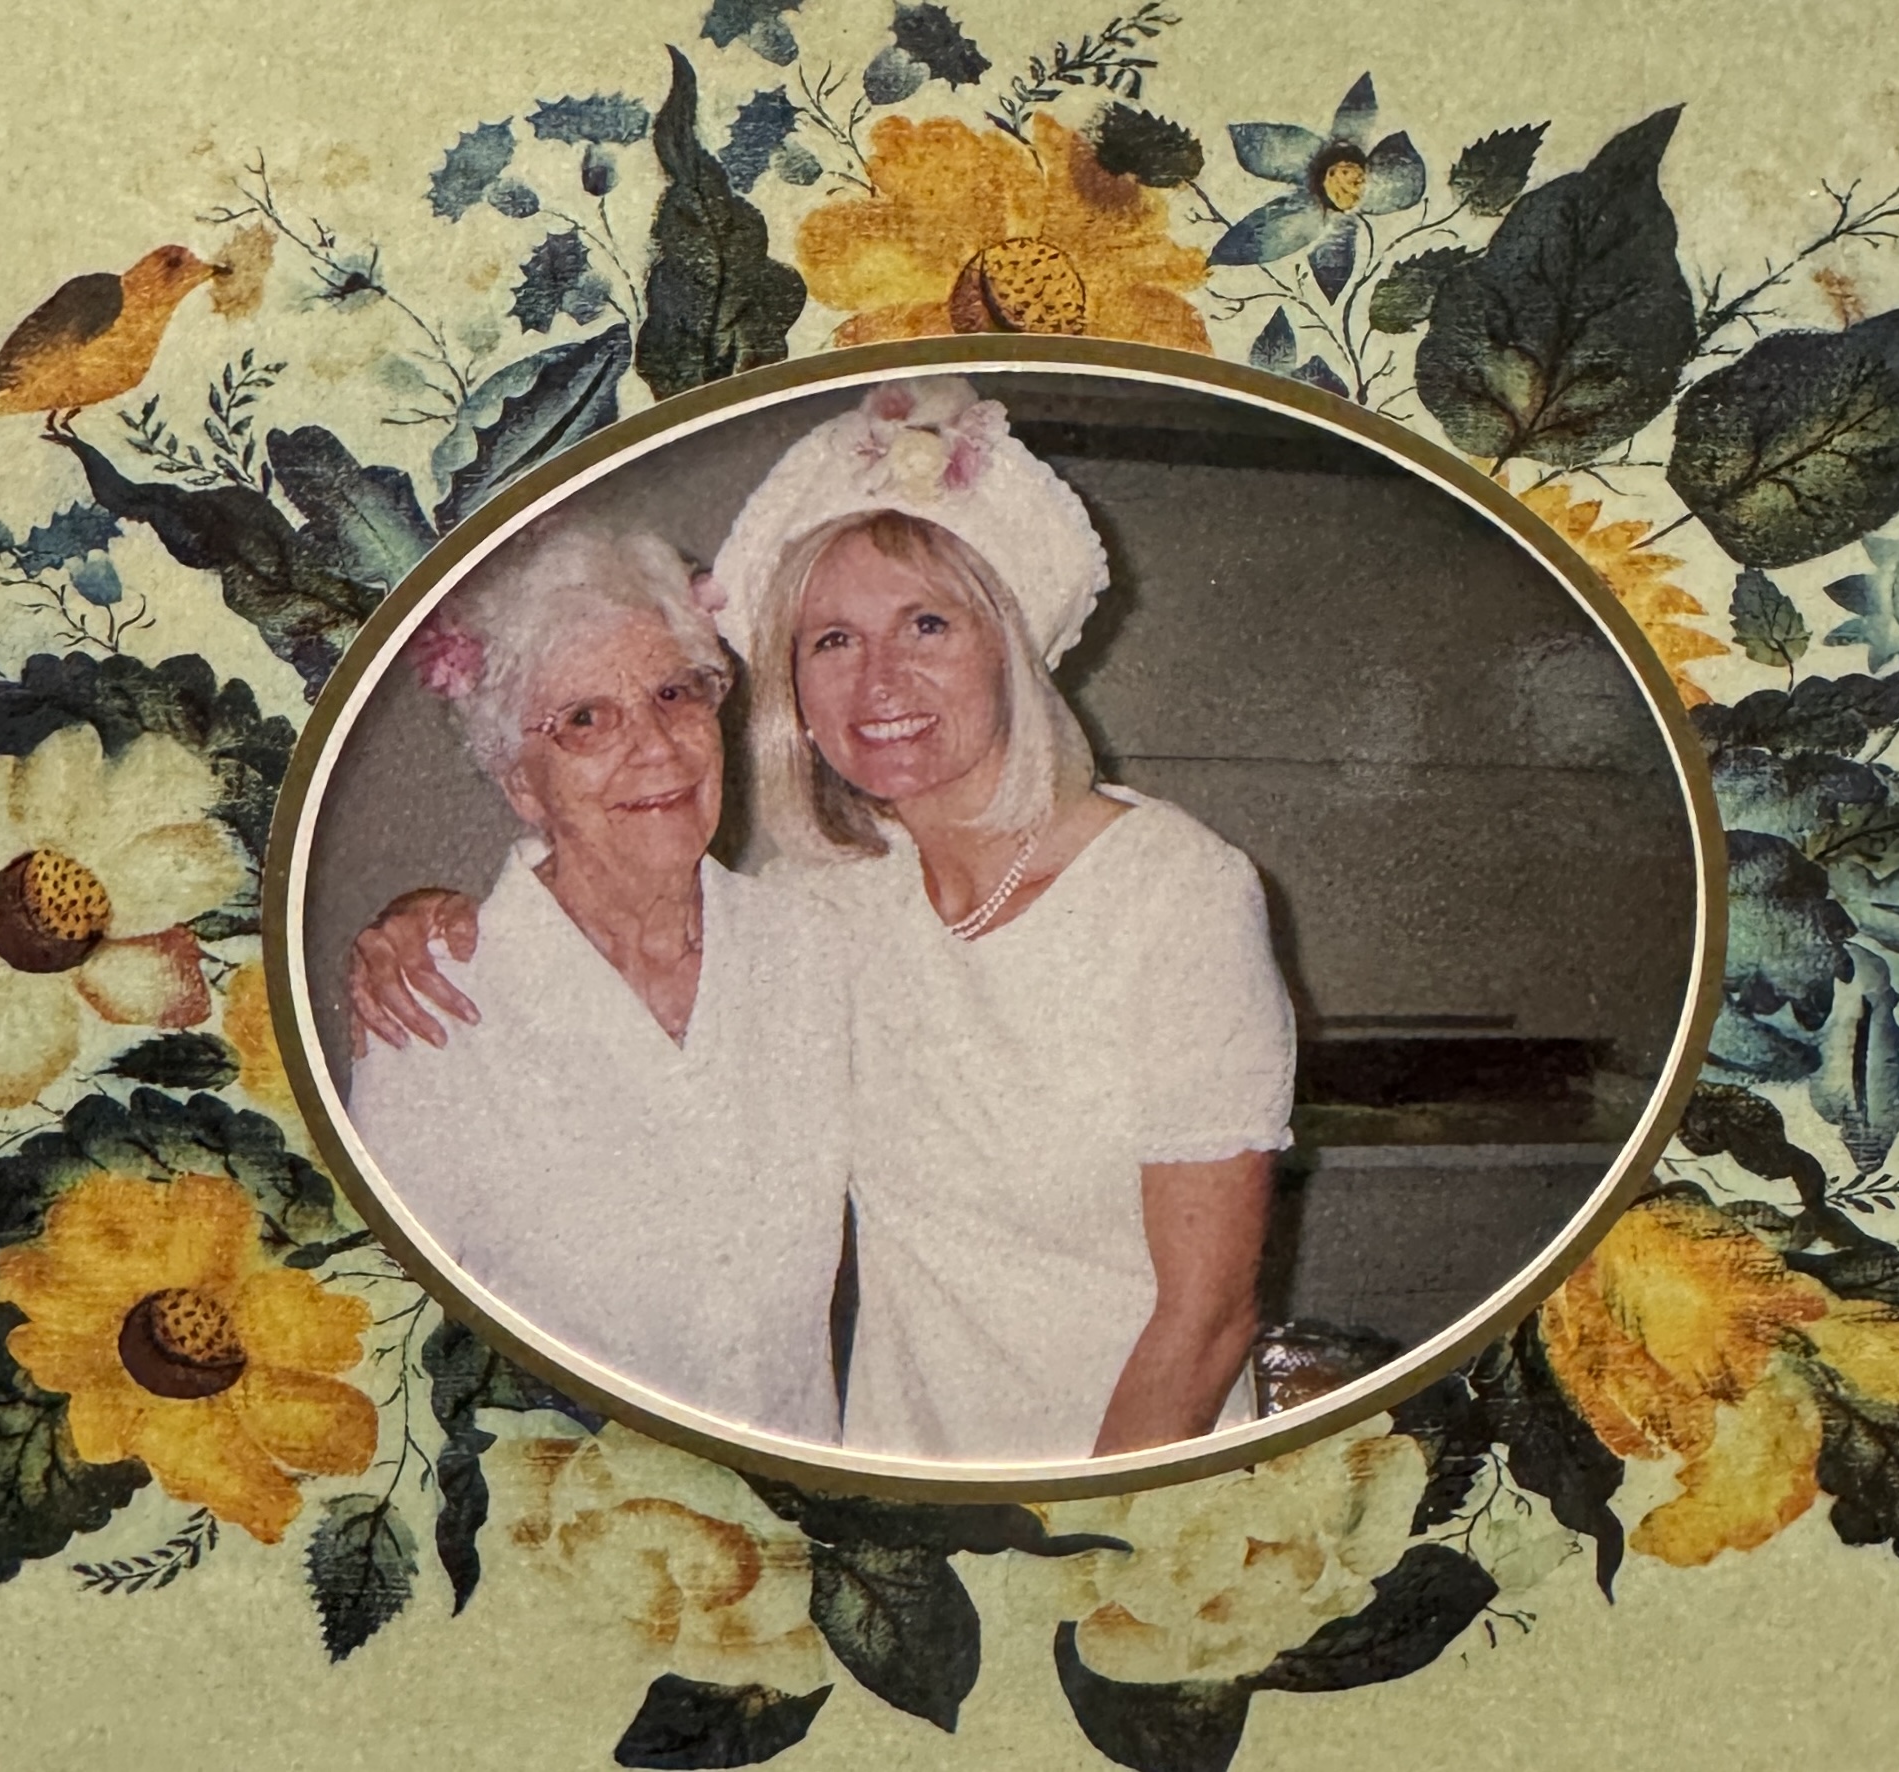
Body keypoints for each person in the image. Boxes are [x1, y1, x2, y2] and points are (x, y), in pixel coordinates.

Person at [352, 378, 1296, 1463]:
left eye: (926, 623)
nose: (880, 679)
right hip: (854, 1487)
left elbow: (1207, 1320)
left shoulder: (1171, 893)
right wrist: (416, 918)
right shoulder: (825, 905)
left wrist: (1081, 1530)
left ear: (1007, 646)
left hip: (1115, 1481)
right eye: (833, 638)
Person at [343, 524, 851, 1445]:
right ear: (521, 784)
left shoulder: (811, 948)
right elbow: (385, 1336)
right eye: (585, 719)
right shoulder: (436, 1002)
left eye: (673, 693)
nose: (654, 746)